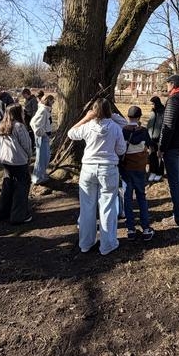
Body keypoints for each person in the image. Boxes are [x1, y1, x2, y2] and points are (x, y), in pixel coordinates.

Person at [67, 99, 126, 256]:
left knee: (87, 207)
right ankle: (108, 244)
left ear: (93, 111)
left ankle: (86, 243)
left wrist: (87, 118)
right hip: (108, 170)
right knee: (107, 207)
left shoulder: (87, 126)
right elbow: (121, 150)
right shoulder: (115, 128)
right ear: (109, 111)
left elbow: (71, 133)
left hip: (88, 169)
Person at [158, 75, 179, 226]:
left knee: (174, 181)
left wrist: (161, 147)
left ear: (172, 84)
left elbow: (168, 125)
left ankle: (178, 216)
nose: (166, 87)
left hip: (173, 146)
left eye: (167, 84)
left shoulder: (173, 100)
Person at [121, 106, 154, 241]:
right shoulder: (144, 131)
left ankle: (130, 229)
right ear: (139, 117)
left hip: (126, 167)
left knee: (127, 198)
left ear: (128, 117)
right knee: (141, 196)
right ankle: (146, 228)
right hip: (140, 168)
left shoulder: (123, 131)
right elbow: (151, 146)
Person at [0, 104, 33, 224]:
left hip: (6, 161)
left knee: (8, 186)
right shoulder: (19, 126)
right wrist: (29, 155)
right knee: (21, 188)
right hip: (18, 161)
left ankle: (3, 212)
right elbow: (26, 144)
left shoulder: (2, 126)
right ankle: (18, 216)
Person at [30, 93, 55, 185]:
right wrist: (42, 134)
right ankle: (38, 178)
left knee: (45, 157)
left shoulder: (45, 110)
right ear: (48, 101)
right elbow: (34, 123)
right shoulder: (43, 110)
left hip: (44, 136)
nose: (53, 102)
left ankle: (41, 175)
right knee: (41, 158)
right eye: (52, 101)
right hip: (42, 137)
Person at [146, 96, 165, 182]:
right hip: (151, 138)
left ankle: (159, 173)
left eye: (153, 103)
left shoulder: (163, 112)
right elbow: (149, 124)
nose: (152, 105)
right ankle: (152, 171)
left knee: (159, 156)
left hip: (159, 138)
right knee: (151, 156)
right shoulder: (152, 112)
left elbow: (162, 126)